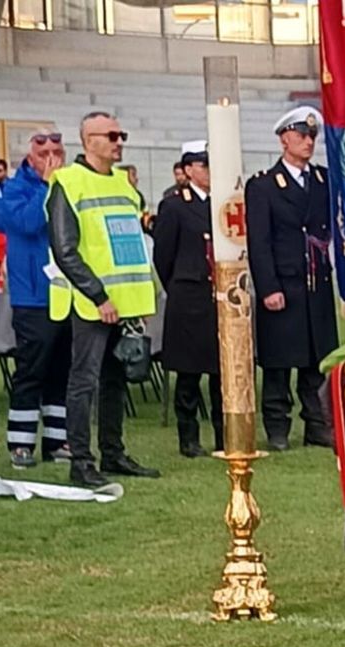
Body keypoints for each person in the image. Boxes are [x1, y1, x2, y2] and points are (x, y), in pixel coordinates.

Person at [47, 111, 159, 487]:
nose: (118, 141)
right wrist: (98, 295)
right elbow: (65, 250)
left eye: (120, 134)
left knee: (115, 380)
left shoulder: (125, 185)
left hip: (124, 303)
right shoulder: (68, 182)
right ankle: (81, 461)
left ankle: (113, 452)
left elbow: (133, 246)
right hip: (91, 302)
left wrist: (138, 303)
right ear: (88, 140)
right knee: (84, 381)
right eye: (111, 135)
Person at [245, 105, 336, 451]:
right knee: (280, 362)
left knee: (316, 359)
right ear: (284, 139)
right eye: (301, 135)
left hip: (316, 283)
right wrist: (268, 287)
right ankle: (277, 426)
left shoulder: (322, 180)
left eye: (312, 136)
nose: (308, 142)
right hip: (284, 283)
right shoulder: (264, 186)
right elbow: (260, 241)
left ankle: (316, 424)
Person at [0, 129, 71, 468]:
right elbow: (27, 223)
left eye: (57, 153)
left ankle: (57, 442)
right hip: (32, 296)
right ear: (30, 158)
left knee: (61, 370)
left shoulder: (69, 183)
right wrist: (46, 184)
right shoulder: (15, 188)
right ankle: (20, 443)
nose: (52, 159)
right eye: (44, 154)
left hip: (65, 293)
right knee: (31, 370)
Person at [152, 144, 223, 458]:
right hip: (189, 295)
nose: (209, 171)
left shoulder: (222, 201)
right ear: (189, 169)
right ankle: (189, 438)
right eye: (204, 165)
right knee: (189, 373)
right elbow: (163, 255)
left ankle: (224, 434)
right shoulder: (175, 205)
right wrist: (179, 283)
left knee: (221, 373)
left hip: (218, 297)